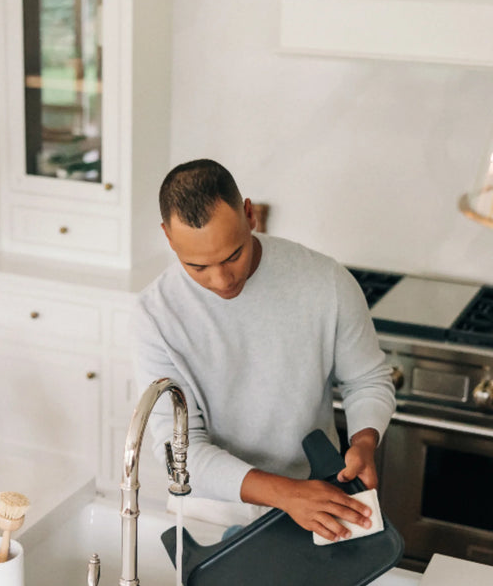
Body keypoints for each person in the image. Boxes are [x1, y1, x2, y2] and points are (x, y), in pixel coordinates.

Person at [132, 159, 396, 542]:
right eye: (197, 266)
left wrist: (364, 440)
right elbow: (179, 448)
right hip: (210, 513)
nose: (221, 280)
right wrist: (286, 494)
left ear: (249, 214)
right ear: (168, 238)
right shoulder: (154, 315)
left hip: (317, 502)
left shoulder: (325, 282)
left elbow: (368, 380)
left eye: (232, 256)